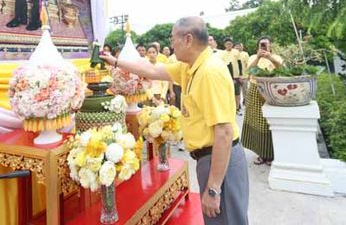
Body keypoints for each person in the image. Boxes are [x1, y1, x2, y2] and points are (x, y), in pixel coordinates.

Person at [100, 17, 249, 224]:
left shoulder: (209, 72)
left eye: (173, 39)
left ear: (188, 39)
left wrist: (214, 189)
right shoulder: (190, 67)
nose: (171, 45)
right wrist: (115, 61)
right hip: (209, 158)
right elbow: (151, 71)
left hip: (220, 160)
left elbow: (223, 132)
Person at [241, 36, 283, 166]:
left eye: (266, 44)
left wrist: (270, 57)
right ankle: (261, 153)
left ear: (271, 46)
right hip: (255, 90)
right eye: (261, 45)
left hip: (271, 90)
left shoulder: (276, 57)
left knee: (269, 122)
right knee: (256, 121)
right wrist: (259, 57)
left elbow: (282, 69)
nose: (263, 47)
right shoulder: (253, 57)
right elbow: (249, 71)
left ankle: (272, 154)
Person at [217, 38, 242, 114]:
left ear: (232, 45)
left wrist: (241, 75)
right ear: (225, 45)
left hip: (236, 75)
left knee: (237, 93)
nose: (229, 45)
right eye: (227, 44)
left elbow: (239, 63)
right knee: (227, 92)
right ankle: (228, 108)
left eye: (230, 44)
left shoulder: (236, 52)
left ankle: (237, 108)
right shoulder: (221, 53)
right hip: (226, 75)